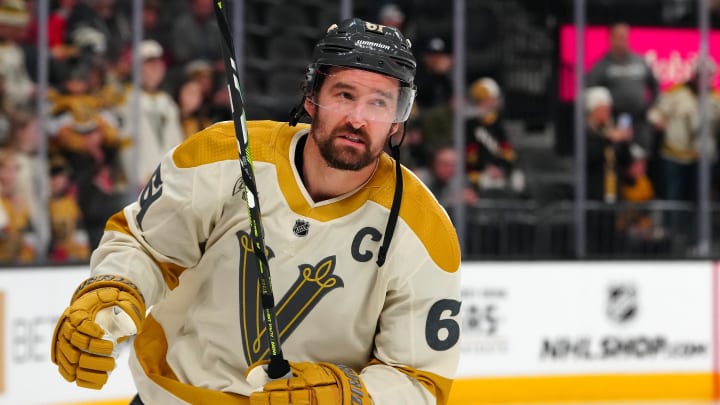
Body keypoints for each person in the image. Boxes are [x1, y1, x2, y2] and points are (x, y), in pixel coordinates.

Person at [51, 17, 462, 405]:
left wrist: (345, 394)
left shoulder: (423, 229)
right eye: (345, 94)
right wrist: (112, 292)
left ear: (397, 120)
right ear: (312, 95)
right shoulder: (222, 155)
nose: (358, 118)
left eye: (379, 103)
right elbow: (146, 246)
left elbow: (419, 379)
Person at [586, 22, 659, 155]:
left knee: (641, 158)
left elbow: (654, 84)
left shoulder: (639, 61)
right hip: (614, 121)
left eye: (624, 37)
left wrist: (651, 105)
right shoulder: (602, 65)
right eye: (618, 37)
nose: (621, 41)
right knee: (618, 159)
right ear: (611, 38)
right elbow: (590, 92)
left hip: (639, 120)